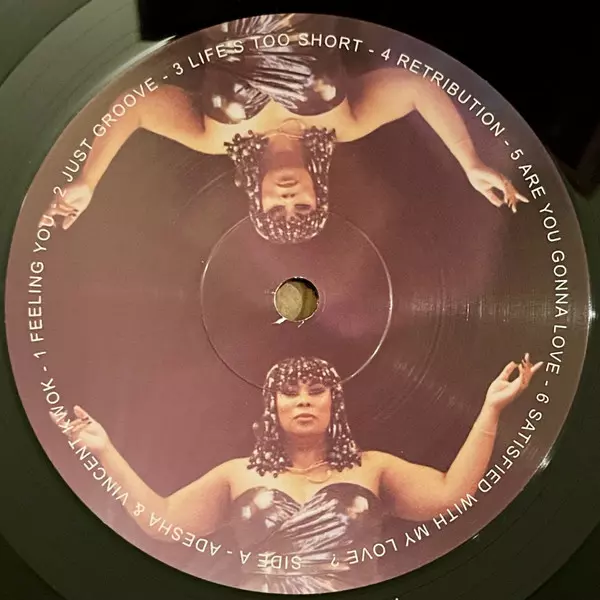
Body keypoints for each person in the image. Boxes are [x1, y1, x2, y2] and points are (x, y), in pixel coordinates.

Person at [52, 353, 542, 593]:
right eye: (290, 393)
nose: (304, 400)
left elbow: (453, 495)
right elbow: (160, 523)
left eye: (315, 391)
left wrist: (490, 410)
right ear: (273, 407)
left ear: (334, 403)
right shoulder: (237, 474)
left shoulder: (373, 466)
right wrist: (104, 451)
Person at [43, 14, 528, 244]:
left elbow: (137, 107)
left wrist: (88, 179)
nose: (290, 197)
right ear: (320, 193)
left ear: (256, 198)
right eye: (303, 206)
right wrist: (470, 162)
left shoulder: (215, 139)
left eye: (278, 207)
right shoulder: (345, 126)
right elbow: (416, 87)